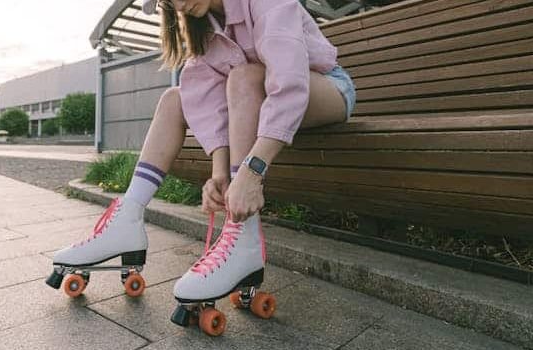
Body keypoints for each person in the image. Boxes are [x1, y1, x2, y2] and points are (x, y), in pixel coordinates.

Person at [50, 0, 356, 313]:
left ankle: (243, 242)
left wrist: (251, 173)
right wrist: (220, 174)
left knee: (243, 77)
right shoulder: (205, 29)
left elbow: (289, 84)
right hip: (259, 103)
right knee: (174, 99)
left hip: (324, 88)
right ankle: (127, 220)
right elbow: (207, 102)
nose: (178, 3)